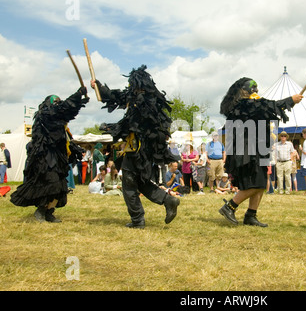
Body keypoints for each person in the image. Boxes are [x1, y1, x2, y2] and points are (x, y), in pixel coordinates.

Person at [92, 65, 180, 229]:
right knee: (141, 183)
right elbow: (116, 96)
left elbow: (132, 124)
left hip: (137, 151)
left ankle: (138, 219)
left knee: (129, 185)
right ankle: (168, 200)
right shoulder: (148, 99)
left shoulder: (141, 102)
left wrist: (114, 128)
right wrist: (98, 86)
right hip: (142, 152)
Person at [218, 77, 303, 227]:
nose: (256, 91)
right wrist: (291, 100)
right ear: (244, 91)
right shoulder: (243, 105)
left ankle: (251, 215)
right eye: (253, 88)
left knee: (261, 183)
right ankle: (230, 206)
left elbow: (267, 108)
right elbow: (271, 106)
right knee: (255, 184)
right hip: (247, 152)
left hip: (258, 149)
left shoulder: (253, 104)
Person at [10, 87, 89, 222]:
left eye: (59, 101)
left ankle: (49, 212)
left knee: (60, 186)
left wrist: (79, 102)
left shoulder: (59, 122)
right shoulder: (45, 115)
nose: (58, 103)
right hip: (46, 158)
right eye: (56, 101)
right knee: (49, 183)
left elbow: (66, 112)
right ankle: (40, 210)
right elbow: (61, 109)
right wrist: (77, 95)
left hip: (57, 158)